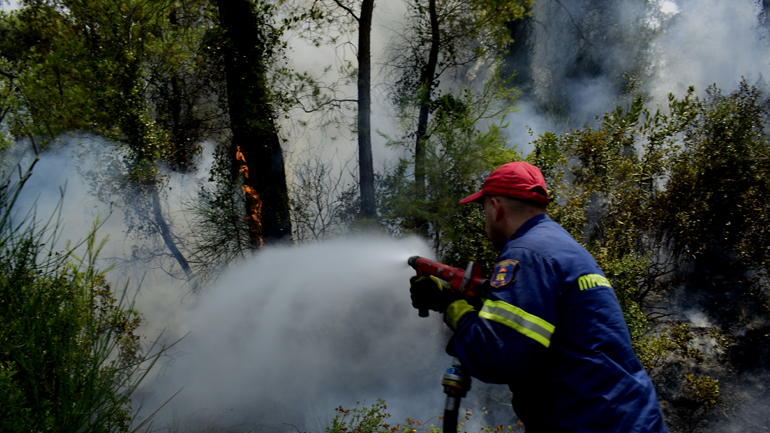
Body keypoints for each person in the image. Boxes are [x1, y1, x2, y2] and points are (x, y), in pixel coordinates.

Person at [410, 161, 667, 432]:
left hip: (592, 422)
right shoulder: (562, 247)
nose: (484, 216)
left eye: (482, 208)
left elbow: (497, 355)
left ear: (496, 208)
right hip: (626, 416)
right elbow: (534, 328)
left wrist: (453, 308)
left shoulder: (527, 255)